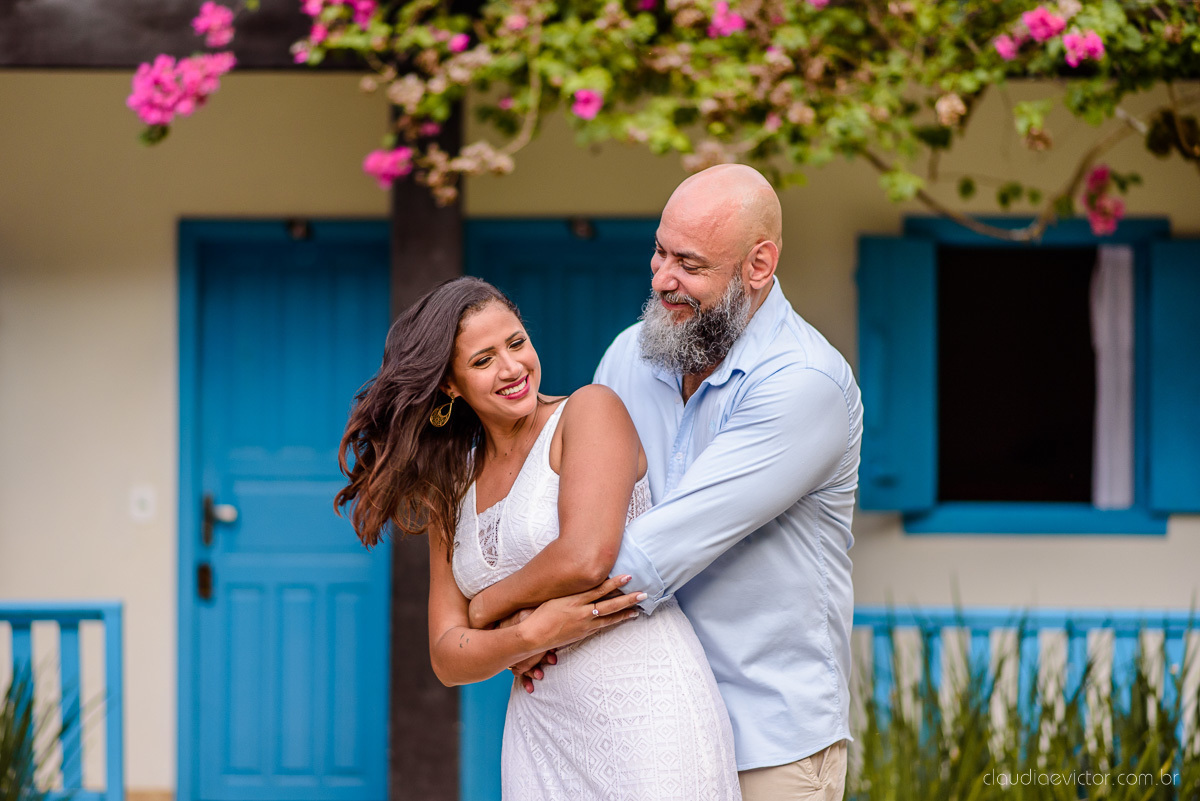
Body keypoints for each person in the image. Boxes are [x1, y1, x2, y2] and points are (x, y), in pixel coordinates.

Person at [488, 164, 863, 800]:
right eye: (660, 252)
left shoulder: (804, 382)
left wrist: (507, 619)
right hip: (635, 721)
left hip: (763, 741)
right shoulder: (628, 356)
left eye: (689, 264)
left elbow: (652, 553)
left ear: (759, 265)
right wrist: (522, 621)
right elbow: (573, 506)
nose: (663, 278)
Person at [336, 277, 741, 800]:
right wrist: (526, 636)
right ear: (450, 386)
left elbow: (586, 556)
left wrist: (485, 609)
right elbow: (446, 656)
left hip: (645, 708)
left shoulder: (589, 411)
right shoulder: (451, 484)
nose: (511, 368)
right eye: (483, 360)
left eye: (516, 343)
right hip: (541, 729)